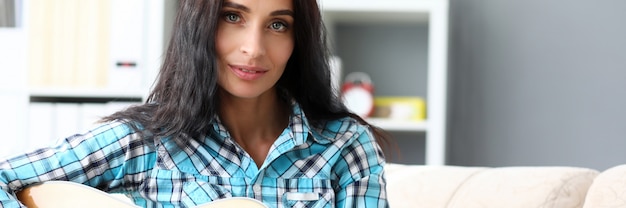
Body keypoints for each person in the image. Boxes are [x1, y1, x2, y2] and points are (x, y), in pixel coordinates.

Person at [0, 0, 390, 207]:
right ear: (199, 26)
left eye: (277, 24)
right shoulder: (145, 141)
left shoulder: (345, 146)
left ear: (297, 39)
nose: (253, 49)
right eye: (232, 16)